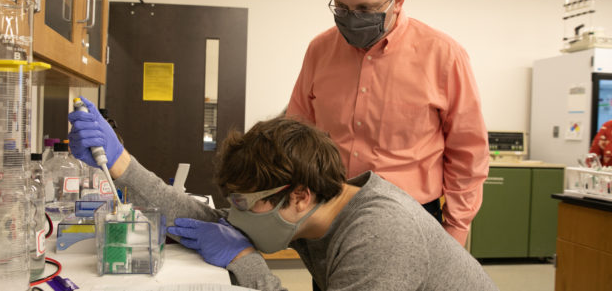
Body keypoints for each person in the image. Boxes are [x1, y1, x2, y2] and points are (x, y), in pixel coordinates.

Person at [68, 97, 497, 290]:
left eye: (242, 204)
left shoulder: (379, 236)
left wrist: (248, 265)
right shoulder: (313, 213)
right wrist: (122, 164)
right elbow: (206, 221)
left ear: (298, 197)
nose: (233, 216)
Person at [287, 0, 489, 245]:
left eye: (365, 9)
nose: (351, 18)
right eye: (341, 7)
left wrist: (456, 229)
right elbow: (298, 130)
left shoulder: (444, 55)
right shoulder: (319, 50)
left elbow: (468, 151)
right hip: (331, 212)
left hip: (410, 219)